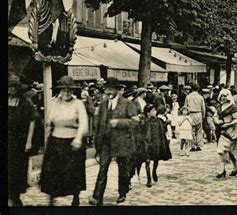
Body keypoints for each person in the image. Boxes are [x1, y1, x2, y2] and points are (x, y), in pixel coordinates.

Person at [89, 77, 139, 206]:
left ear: (117, 90)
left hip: (122, 141)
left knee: (123, 170)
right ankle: (97, 196)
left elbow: (136, 121)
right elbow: (98, 123)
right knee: (103, 168)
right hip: (106, 141)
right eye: (107, 89)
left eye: (111, 89)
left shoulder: (127, 103)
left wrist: (119, 123)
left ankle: (122, 192)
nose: (108, 91)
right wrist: (97, 142)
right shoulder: (103, 104)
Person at [39, 76, 88, 206]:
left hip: (72, 142)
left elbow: (84, 123)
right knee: (52, 170)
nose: (66, 93)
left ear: (73, 91)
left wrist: (78, 139)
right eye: (63, 90)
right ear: (59, 91)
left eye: (69, 90)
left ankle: (75, 197)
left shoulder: (78, 104)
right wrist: (49, 124)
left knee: (73, 171)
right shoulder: (54, 102)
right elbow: (50, 118)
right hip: (56, 140)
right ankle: (51, 196)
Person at [8, 73, 38, 207]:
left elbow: (32, 121)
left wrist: (29, 141)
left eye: (14, 87)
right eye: (9, 87)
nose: (11, 90)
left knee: (17, 169)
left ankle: (15, 196)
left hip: (19, 141)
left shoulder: (25, 101)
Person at [214, 89, 237, 178]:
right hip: (220, 130)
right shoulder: (219, 107)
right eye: (222, 96)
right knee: (225, 150)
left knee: (224, 150)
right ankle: (231, 168)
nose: (223, 98)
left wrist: (227, 124)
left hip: (230, 131)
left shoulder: (233, 107)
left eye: (225, 96)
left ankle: (225, 169)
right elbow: (215, 116)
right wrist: (217, 121)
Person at [144, 105, 172, 187]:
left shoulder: (158, 121)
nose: (155, 112)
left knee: (156, 160)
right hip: (147, 144)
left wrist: (166, 124)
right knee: (147, 161)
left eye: (155, 110)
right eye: (152, 110)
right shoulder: (145, 121)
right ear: (148, 113)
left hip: (156, 144)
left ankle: (154, 171)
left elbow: (162, 131)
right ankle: (149, 179)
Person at [184, 83, 206, 152]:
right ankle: (199, 145)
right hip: (199, 113)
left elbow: (185, 107)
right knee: (199, 130)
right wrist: (203, 115)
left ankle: (193, 145)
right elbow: (203, 108)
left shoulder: (188, 97)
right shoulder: (200, 97)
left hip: (191, 114)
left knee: (191, 130)